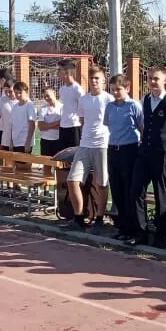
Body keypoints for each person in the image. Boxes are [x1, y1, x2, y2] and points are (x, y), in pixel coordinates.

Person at [66, 67, 114, 230]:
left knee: (101, 183)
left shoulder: (109, 99)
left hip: (102, 145)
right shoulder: (84, 100)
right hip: (85, 144)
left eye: (97, 78)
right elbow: (82, 120)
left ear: (103, 81)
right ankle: (78, 218)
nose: (94, 81)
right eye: (92, 78)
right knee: (72, 180)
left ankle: (100, 218)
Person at [128, 67, 166, 247]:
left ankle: (161, 237)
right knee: (136, 191)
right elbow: (143, 125)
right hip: (144, 152)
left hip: (161, 153)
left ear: (164, 80)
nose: (153, 82)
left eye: (156, 79)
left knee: (161, 195)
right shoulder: (145, 99)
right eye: (150, 79)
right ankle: (141, 233)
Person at [104, 74, 143, 240]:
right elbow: (108, 125)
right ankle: (121, 227)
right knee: (117, 189)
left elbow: (142, 127)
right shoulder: (110, 107)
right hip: (113, 149)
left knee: (129, 190)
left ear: (127, 89)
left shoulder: (134, 105)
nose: (115, 93)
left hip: (130, 150)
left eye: (118, 89)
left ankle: (132, 228)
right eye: (112, 89)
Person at [58, 60, 84, 150]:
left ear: (67, 72)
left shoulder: (77, 89)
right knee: (64, 158)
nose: (58, 73)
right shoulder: (62, 89)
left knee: (75, 156)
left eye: (59, 70)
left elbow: (83, 109)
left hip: (74, 127)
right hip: (63, 127)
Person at [37, 87, 62, 157]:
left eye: (48, 95)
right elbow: (41, 127)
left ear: (54, 93)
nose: (46, 98)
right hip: (45, 140)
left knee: (58, 165)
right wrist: (57, 123)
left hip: (58, 140)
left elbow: (63, 125)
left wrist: (47, 126)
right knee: (46, 165)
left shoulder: (62, 107)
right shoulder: (43, 108)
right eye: (44, 97)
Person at [0, 70, 14, 149]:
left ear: (3, 79)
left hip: (10, 131)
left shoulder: (13, 92)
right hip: (0, 128)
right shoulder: (3, 94)